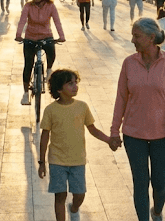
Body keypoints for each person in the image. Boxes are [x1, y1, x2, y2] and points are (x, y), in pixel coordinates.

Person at [110, 18, 165, 221]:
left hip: (163, 134)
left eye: (137, 36)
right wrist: (115, 131)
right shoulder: (128, 63)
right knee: (140, 183)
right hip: (134, 134)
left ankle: (157, 211)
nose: (133, 40)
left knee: (160, 184)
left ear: (151, 38)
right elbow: (121, 99)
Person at [38, 69, 110, 221]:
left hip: (78, 160)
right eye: (70, 84)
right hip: (57, 160)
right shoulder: (50, 110)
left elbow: (93, 129)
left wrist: (109, 140)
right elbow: (45, 136)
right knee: (60, 195)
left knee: (79, 194)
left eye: (75, 83)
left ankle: (74, 207)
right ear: (59, 89)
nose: (75, 86)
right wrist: (42, 162)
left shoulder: (82, 107)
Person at [15, 0, 66, 105]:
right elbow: (22, 21)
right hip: (30, 37)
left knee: (51, 52)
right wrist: (18, 35)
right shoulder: (28, 6)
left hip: (46, 35)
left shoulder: (51, 6)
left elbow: (57, 22)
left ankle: (48, 70)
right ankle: (26, 94)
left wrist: (61, 36)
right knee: (28, 65)